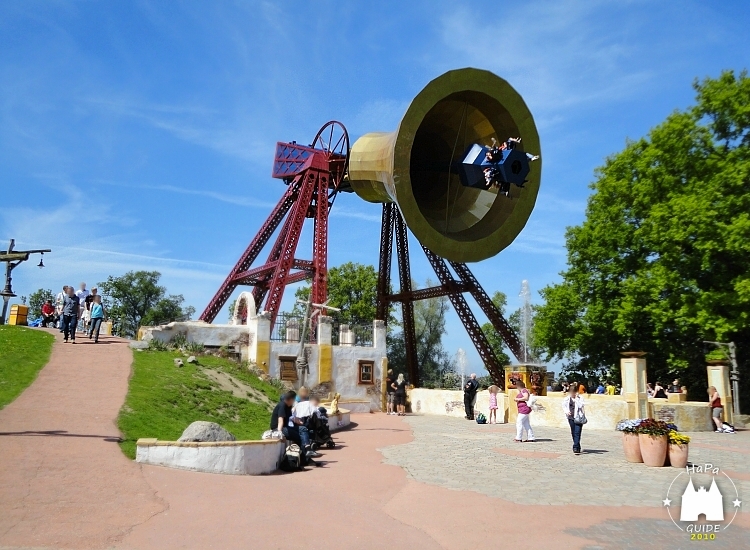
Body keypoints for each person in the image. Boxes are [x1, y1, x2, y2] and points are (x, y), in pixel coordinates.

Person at [271, 391, 319, 466]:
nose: (294, 402)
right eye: (293, 400)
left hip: (286, 427)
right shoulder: (282, 405)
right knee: (300, 437)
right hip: (278, 429)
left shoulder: (288, 406)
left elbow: (292, 418)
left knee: (303, 429)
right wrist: (279, 433)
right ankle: (306, 458)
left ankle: (307, 452)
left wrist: (298, 422)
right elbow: (280, 420)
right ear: (290, 399)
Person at [562, 385, 585, 454]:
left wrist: (576, 399)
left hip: (578, 417)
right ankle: (577, 446)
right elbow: (564, 406)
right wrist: (566, 411)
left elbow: (581, 406)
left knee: (577, 432)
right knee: (573, 432)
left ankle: (575, 446)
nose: (572, 394)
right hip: (571, 417)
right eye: (571, 392)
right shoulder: (567, 399)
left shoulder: (580, 398)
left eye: (573, 392)